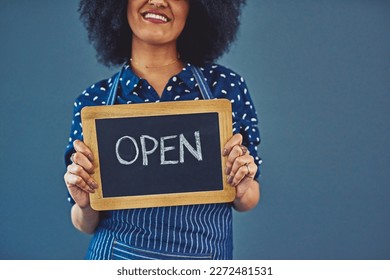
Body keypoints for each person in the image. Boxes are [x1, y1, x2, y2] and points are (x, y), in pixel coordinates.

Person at [64, 0, 262, 260]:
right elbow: (84, 222)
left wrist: (244, 185)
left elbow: (248, 199)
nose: (157, 1)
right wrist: (85, 203)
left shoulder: (225, 87)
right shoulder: (94, 101)